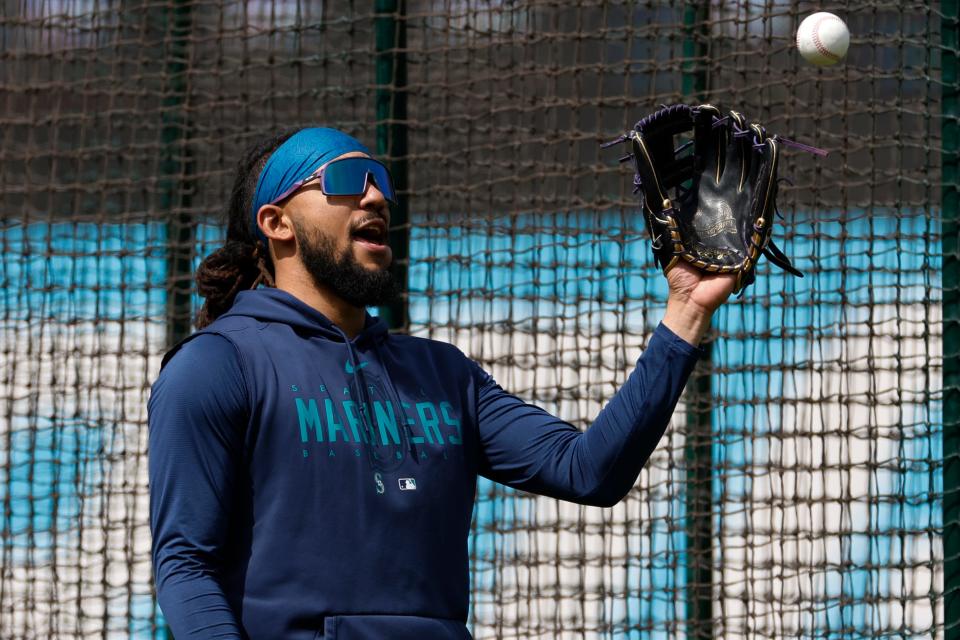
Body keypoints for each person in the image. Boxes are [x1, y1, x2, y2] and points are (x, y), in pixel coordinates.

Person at [148, 127, 736, 639]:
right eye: (348, 178)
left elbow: (590, 470)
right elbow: (186, 566)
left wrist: (685, 312)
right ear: (277, 223)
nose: (376, 194)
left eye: (380, 178)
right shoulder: (217, 365)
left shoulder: (441, 372)